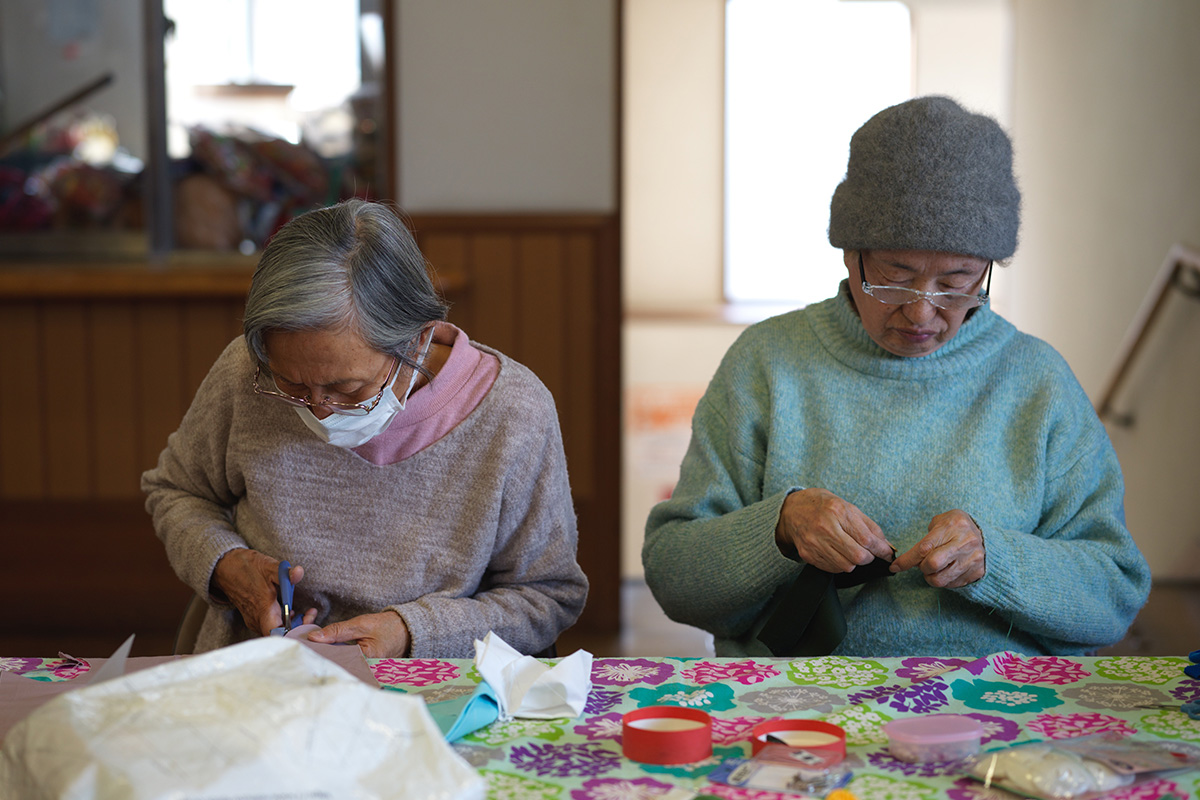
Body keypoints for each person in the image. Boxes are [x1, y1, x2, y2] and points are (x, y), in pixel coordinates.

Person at [642, 96, 1150, 658]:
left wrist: (1000, 562)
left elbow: (1115, 594)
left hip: (997, 703)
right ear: (850, 254)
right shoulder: (768, 362)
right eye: (895, 278)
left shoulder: (1037, 381)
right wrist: (778, 531)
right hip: (796, 700)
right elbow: (673, 575)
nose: (922, 312)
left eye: (956, 282)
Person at [143, 198, 588, 658]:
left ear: (418, 338)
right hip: (262, 672)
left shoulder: (511, 412)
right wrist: (225, 564)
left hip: (432, 686)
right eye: (292, 385)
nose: (319, 411)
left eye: (347, 388)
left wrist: (412, 633)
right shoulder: (247, 371)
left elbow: (548, 596)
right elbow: (177, 490)